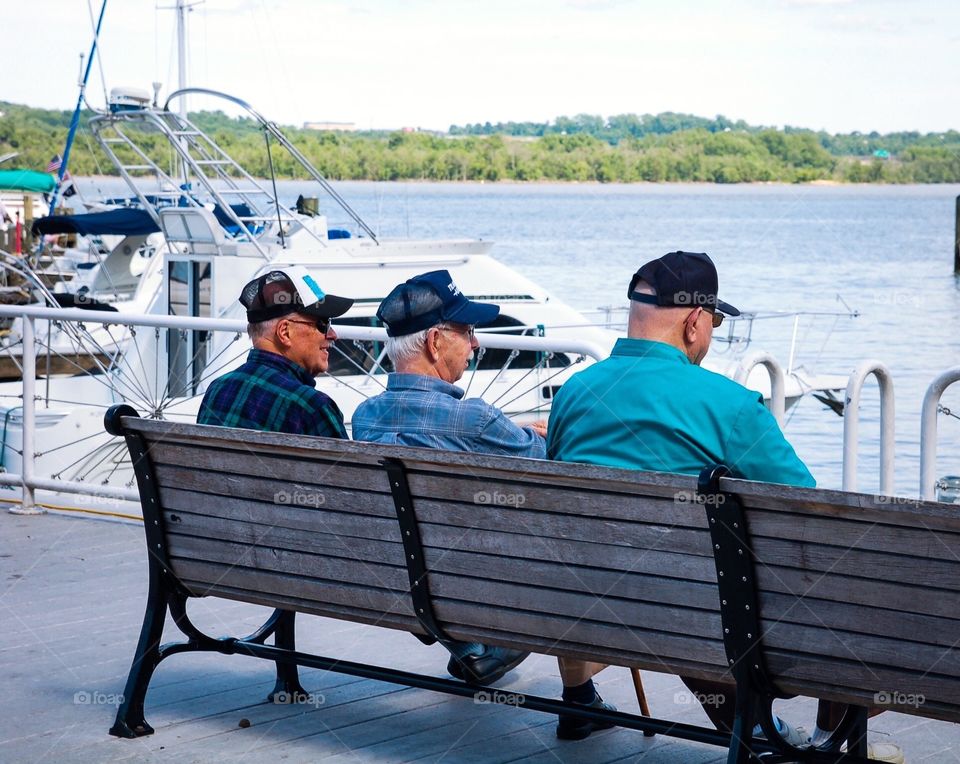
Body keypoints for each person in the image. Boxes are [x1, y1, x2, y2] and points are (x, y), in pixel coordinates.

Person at [547, 251, 814, 743]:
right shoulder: (730, 405)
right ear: (694, 323)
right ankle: (796, 737)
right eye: (712, 322)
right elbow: (805, 509)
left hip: (577, 604)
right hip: (696, 617)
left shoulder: (573, 393)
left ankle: (581, 698)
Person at [352, 269, 542, 686]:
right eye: (467, 330)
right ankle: (576, 695)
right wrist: (527, 432)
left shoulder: (364, 417)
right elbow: (546, 462)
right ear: (435, 342)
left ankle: (469, 648)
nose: (475, 343)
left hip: (397, 575)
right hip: (475, 580)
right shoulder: (474, 419)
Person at [197, 266, 353, 437]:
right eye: (323, 324)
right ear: (285, 332)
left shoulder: (217, 389)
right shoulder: (312, 408)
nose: (333, 335)